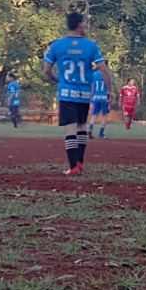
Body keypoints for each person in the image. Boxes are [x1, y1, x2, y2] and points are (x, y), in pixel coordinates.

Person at [43, 12, 113, 176]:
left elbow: (47, 70)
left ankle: (73, 166)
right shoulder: (90, 46)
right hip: (83, 94)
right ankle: (80, 163)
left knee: (70, 130)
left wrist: (58, 80)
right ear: (80, 25)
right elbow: (103, 68)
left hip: (67, 94)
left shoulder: (57, 45)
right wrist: (110, 90)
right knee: (82, 126)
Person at [88, 68, 111, 139]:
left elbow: (92, 86)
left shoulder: (94, 74)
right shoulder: (108, 74)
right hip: (104, 98)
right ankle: (101, 134)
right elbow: (109, 87)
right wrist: (110, 97)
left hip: (95, 97)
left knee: (94, 115)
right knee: (104, 115)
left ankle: (90, 129)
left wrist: (91, 98)